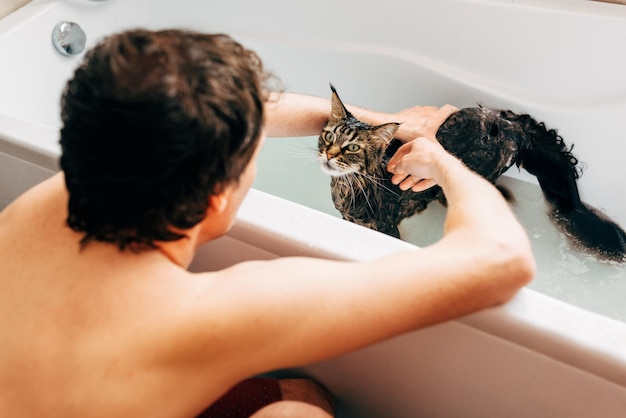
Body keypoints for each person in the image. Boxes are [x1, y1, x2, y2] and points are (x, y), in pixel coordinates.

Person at [0, 29, 535, 418]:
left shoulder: (60, 193)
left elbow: (244, 105)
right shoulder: (214, 313)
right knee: (300, 410)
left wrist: (383, 123)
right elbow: (501, 259)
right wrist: (445, 164)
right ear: (216, 199)